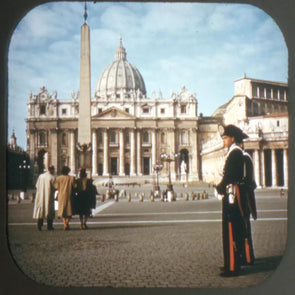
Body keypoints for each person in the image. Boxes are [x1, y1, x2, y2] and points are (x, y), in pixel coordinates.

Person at [216, 124, 247, 277]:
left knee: (230, 228)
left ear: (232, 138)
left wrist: (219, 187)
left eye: (225, 138)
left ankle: (232, 266)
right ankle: (232, 262)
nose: (224, 141)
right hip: (231, 192)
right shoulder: (234, 152)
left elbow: (229, 175)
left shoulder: (235, 153)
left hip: (231, 194)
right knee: (232, 228)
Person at [236, 132, 257, 266]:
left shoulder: (243, 157)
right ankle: (247, 255)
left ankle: (247, 256)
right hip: (245, 196)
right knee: (244, 227)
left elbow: (243, 179)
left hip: (243, 197)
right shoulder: (246, 157)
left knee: (244, 226)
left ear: (241, 145)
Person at [33, 166, 56, 231]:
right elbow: (55, 187)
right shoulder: (52, 177)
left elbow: (37, 185)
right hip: (49, 196)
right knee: (49, 210)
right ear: (51, 170)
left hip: (40, 195)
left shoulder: (41, 176)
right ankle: (49, 226)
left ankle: (39, 225)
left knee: (41, 210)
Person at [54, 166, 75, 230]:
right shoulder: (71, 178)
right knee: (69, 211)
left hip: (61, 196)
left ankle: (64, 223)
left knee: (62, 211)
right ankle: (66, 223)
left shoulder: (58, 178)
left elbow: (56, 187)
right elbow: (74, 186)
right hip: (69, 195)